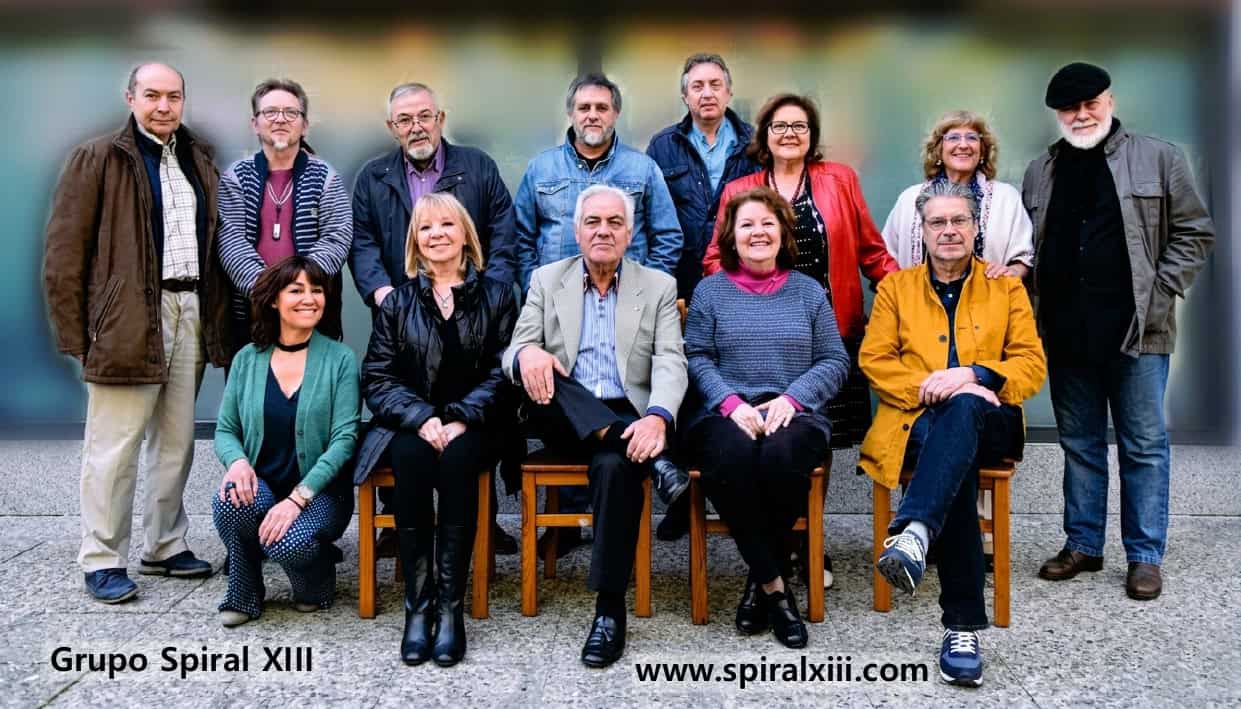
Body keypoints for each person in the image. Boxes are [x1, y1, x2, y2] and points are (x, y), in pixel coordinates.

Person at [43, 62, 232, 603]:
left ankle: (165, 545)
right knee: (114, 447)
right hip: (125, 319)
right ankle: (103, 557)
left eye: (173, 96)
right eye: (152, 95)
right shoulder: (98, 157)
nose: (163, 106)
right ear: (131, 98)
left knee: (176, 441)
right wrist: (79, 336)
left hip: (189, 308)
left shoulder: (199, 157)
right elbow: (63, 256)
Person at [1024, 62, 1215, 600]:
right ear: (1057, 114)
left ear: (1109, 101)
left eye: (1091, 103)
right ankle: (1083, 544)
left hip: (1137, 331)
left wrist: (1161, 291)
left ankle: (1144, 556)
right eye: (1070, 108)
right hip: (1066, 332)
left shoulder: (1159, 157)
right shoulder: (1041, 170)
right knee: (1080, 445)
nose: (1082, 115)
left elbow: (1195, 232)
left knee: (1144, 446)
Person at [703, 93, 899, 585]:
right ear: (764, 136)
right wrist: (737, 303)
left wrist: (910, 294)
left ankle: (809, 541)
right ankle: (779, 548)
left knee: (813, 438)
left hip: (827, 333)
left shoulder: (840, 180)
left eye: (799, 126)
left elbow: (872, 252)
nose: (789, 134)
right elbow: (715, 257)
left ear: (812, 136)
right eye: (779, 126)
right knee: (766, 443)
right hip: (760, 340)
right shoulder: (740, 189)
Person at [863, 182, 1046, 687]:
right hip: (916, 420)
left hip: (993, 421)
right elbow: (875, 360)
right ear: (921, 232)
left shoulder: (1006, 288)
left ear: (975, 228)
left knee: (964, 409)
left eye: (958, 220)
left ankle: (915, 531)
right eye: (937, 222)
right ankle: (961, 628)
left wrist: (974, 377)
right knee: (955, 464)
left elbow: (1031, 364)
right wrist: (932, 388)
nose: (948, 230)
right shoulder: (896, 288)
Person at [502, 185, 688, 668]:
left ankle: (609, 610)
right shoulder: (547, 279)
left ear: (629, 233)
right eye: (593, 222)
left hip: (631, 414)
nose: (603, 231)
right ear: (577, 231)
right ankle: (654, 458)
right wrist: (527, 354)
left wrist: (658, 417)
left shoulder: (658, 286)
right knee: (551, 377)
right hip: (562, 413)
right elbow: (513, 352)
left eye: (614, 222)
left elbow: (671, 360)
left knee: (614, 467)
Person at [514, 73, 686, 556]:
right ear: (571, 113)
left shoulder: (642, 168)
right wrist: (537, 293)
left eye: (602, 107)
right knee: (557, 376)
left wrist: (643, 289)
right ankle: (578, 515)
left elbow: (668, 235)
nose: (593, 115)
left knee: (607, 419)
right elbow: (521, 235)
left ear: (616, 114)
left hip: (624, 319)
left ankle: (586, 525)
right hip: (557, 323)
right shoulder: (542, 168)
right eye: (584, 107)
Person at [349, 81, 519, 555]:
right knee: (406, 406)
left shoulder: (477, 167)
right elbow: (363, 242)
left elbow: (503, 233)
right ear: (392, 127)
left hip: (472, 311)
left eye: (424, 116)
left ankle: (483, 522)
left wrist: (486, 296)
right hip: (406, 312)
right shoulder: (373, 176)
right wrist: (386, 296)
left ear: (440, 118)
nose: (416, 126)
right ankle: (398, 524)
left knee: (475, 405)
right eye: (405, 120)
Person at [683, 187, 849, 649]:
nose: (758, 232)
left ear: (783, 233)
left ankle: (759, 583)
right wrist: (731, 403)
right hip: (724, 413)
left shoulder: (809, 291)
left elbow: (835, 360)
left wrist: (793, 399)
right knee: (732, 456)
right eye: (747, 225)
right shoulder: (710, 291)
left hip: (794, 413)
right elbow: (696, 357)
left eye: (767, 223)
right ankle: (775, 588)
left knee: (780, 456)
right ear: (731, 237)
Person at [356, 192, 517, 667]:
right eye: (425, 228)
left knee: (459, 462)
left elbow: (505, 371)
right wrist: (423, 419)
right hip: (414, 423)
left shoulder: (498, 296)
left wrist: (462, 416)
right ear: (415, 242)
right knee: (409, 458)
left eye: (447, 224)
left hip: (477, 423)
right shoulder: (397, 302)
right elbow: (377, 377)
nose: (437, 235)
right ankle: (418, 607)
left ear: (466, 234)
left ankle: (450, 609)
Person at [645, 52, 760, 542]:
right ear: (685, 95)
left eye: (715, 84)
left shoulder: (755, 143)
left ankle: (722, 484)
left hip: (738, 285)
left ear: (729, 92)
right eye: (697, 85)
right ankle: (686, 495)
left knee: (728, 380)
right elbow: (652, 215)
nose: (707, 93)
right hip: (679, 285)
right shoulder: (663, 146)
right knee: (681, 385)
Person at [212, 256, 359, 627]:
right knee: (230, 499)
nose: (309, 298)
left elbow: (345, 439)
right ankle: (244, 591)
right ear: (274, 301)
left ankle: (316, 581)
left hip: (321, 494)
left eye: (317, 290)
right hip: (263, 485)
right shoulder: (247, 359)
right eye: (296, 290)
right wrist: (237, 463)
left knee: (287, 542)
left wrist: (297, 499)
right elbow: (226, 429)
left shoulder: (340, 359)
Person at [217, 78, 353, 350]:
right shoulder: (236, 177)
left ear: (305, 125)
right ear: (255, 123)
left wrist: (299, 292)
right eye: (270, 112)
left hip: (311, 315)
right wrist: (269, 293)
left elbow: (337, 237)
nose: (280, 119)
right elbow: (230, 241)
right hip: (250, 315)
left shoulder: (326, 177)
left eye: (291, 112)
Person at [881, 110, 1033, 278]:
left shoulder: (1006, 198)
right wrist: (902, 287)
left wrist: (1011, 273)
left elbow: (1024, 258)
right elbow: (886, 257)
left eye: (972, 138)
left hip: (990, 294)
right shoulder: (909, 199)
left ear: (982, 151)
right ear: (939, 149)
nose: (963, 145)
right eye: (953, 137)